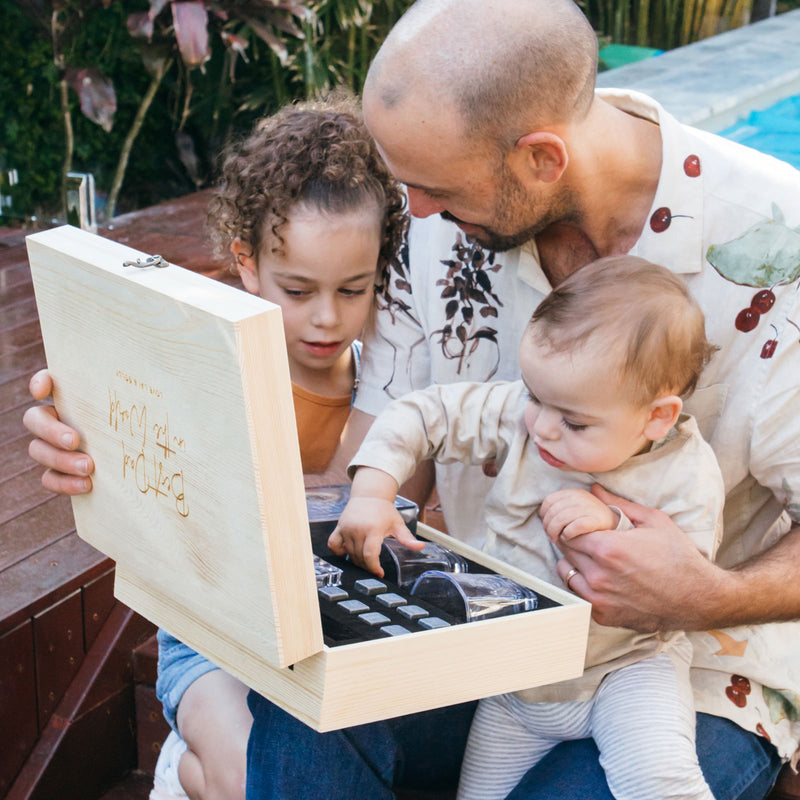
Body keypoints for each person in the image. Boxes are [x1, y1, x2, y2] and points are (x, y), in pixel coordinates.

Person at [24, 0, 800, 797]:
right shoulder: (438, 222)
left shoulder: (781, 250)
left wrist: (709, 593)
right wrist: (120, 437)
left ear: (541, 159)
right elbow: (365, 471)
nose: (415, 215)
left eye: (433, 188)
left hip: (685, 672)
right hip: (478, 636)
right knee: (304, 712)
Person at [27, 91, 406, 800]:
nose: (327, 318)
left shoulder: (382, 383)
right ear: (247, 262)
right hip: (208, 638)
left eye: (353, 290)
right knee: (247, 778)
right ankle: (187, 768)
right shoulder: (211, 376)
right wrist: (78, 412)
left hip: (326, 628)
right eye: (298, 291)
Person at [332, 255, 722, 800]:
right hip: (516, 680)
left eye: (574, 422)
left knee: (658, 779)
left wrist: (614, 525)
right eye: (535, 396)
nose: (541, 426)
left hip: (626, 670)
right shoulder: (526, 414)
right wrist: (373, 493)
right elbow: (422, 414)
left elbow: (689, 583)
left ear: (657, 416)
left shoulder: (687, 473)